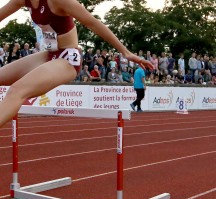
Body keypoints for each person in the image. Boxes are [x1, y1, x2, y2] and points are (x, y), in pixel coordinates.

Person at [0, 0, 153, 128]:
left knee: (16, 91)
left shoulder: (59, 1)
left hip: (68, 58)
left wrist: (125, 52)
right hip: (49, 54)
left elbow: (93, 23)